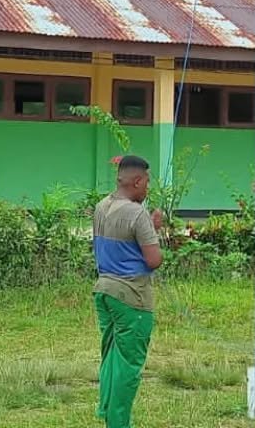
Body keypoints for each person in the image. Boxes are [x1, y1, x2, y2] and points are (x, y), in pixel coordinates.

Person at [92, 155, 164, 428]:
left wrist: (149, 229)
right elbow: (153, 260)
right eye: (146, 182)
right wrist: (154, 232)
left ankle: (108, 413)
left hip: (104, 291)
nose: (147, 188)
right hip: (132, 298)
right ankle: (119, 422)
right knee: (129, 365)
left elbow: (122, 243)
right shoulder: (137, 213)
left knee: (112, 357)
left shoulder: (101, 206)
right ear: (136, 181)